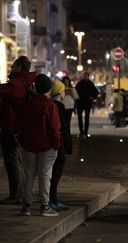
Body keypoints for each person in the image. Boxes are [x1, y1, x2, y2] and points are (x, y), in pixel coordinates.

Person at [16, 74, 61, 216]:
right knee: (45, 175)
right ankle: (44, 206)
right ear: (48, 88)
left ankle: (27, 206)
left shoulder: (27, 104)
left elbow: (20, 125)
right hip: (46, 146)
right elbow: (54, 129)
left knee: (28, 175)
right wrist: (56, 145)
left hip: (28, 145)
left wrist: (22, 141)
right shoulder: (50, 106)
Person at [0, 56, 37, 204]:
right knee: (16, 160)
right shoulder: (24, 82)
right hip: (16, 127)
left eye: (13, 65)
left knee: (12, 161)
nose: (11, 68)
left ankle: (16, 195)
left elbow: (3, 91)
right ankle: (19, 193)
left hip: (11, 127)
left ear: (20, 68)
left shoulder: (17, 84)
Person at [49, 80, 72, 211]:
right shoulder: (59, 106)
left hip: (54, 144)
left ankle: (53, 199)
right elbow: (62, 128)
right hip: (58, 144)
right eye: (63, 90)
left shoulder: (51, 104)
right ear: (59, 91)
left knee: (51, 174)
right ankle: (52, 200)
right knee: (55, 173)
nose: (64, 92)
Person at [75, 72, 99, 138]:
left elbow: (96, 92)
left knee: (87, 118)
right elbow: (75, 92)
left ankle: (85, 132)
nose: (85, 77)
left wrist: (92, 97)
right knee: (79, 118)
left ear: (88, 77)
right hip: (80, 103)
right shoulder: (79, 83)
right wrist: (77, 98)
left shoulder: (90, 83)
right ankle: (81, 132)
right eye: (84, 76)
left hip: (87, 103)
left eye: (86, 76)